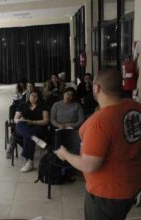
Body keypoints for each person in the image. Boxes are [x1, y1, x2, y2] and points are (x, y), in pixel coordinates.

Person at [55, 69, 141, 220]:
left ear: (96, 87)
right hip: (131, 184)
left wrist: (65, 154)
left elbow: (89, 165)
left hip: (106, 193)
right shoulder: (135, 107)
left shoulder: (100, 122)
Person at [13, 89, 49, 172]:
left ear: (39, 98)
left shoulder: (43, 106)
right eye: (32, 95)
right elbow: (15, 119)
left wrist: (33, 122)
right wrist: (21, 119)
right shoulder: (22, 105)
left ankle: (30, 162)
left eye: (36, 96)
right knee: (21, 125)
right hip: (22, 127)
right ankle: (34, 139)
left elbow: (46, 121)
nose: (33, 98)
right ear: (29, 96)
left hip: (37, 126)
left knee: (28, 137)